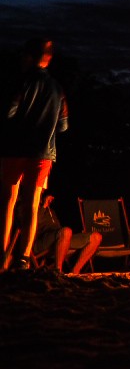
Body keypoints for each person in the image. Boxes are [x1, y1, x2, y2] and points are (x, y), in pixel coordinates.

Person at [1, 38, 69, 271]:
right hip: (43, 153)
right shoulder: (58, 89)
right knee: (32, 205)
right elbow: (63, 126)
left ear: (31, 57)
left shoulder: (21, 83)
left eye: (23, 56)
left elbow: (8, 113)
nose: (21, 60)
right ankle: (24, 257)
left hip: (14, 149)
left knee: (8, 202)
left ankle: (2, 254)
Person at [30, 192, 101, 274]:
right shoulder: (27, 207)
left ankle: (75, 272)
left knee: (96, 237)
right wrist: (43, 206)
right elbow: (31, 223)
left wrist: (45, 207)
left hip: (60, 238)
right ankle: (57, 271)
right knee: (66, 231)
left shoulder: (51, 210)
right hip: (41, 242)